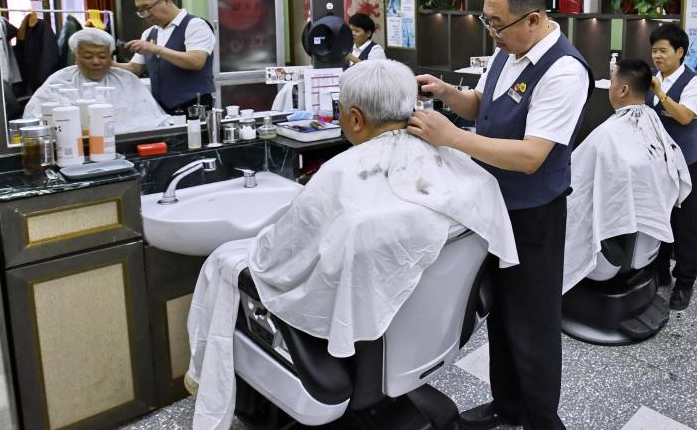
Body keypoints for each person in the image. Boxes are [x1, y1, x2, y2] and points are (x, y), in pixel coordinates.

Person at [185, 59, 518, 430]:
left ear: (355, 119)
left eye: (340, 111)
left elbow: (276, 262)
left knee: (228, 266)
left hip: (362, 348)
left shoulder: (342, 185)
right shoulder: (471, 179)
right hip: (431, 335)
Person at [409, 0, 592, 430]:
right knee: (502, 315)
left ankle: (541, 420)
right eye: (486, 20)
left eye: (498, 23)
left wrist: (452, 137)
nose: (492, 32)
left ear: (533, 19)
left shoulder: (564, 71)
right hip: (493, 206)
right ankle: (507, 406)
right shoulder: (508, 51)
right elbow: (482, 104)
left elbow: (531, 156)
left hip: (534, 214)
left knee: (534, 321)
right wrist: (448, 94)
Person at [563, 59, 692, 293]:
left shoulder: (608, 135)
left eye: (612, 82)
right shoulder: (654, 124)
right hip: (646, 242)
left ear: (623, 90)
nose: (610, 88)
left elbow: (574, 182)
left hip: (612, 249)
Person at [647, 23, 697, 311]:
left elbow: (684, 117)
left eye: (663, 51)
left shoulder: (694, 83)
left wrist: (660, 94)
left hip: (685, 162)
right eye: (654, 51)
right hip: (656, 160)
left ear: (679, 52)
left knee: (684, 222)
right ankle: (659, 271)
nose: (657, 56)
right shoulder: (652, 78)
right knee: (657, 216)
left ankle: (685, 280)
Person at [23, 28, 170, 133]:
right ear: (75, 57)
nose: (96, 62)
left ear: (111, 57)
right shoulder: (59, 82)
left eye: (102, 56)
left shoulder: (127, 80)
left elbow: (156, 120)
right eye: (88, 57)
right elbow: (34, 120)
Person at [118, 0, 216, 114]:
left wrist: (155, 49)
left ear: (166, 1)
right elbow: (135, 68)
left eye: (147, 8)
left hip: (194, 106)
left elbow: (196, 61)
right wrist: (107, 64)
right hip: (161, 109)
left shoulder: (195, 25)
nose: (146, 14)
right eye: (141, 11)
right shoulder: (149, 33)